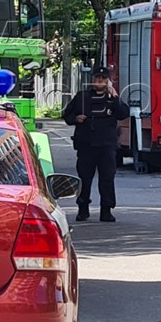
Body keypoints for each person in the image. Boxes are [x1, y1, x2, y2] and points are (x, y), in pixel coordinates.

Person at [62, 69, 123, 221]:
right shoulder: (82, 97)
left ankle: (106, 210)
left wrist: (115, 97)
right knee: (84, 178)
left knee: (107, 178)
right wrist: (76, 118)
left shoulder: (113, 98)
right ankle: (83, 208)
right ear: (92, 80)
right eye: (97, 78)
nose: (100, 81)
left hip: (107, 145)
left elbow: (123, 114)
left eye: (103, 79)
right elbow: (67, 115)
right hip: (86, 145)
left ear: (108, 81)